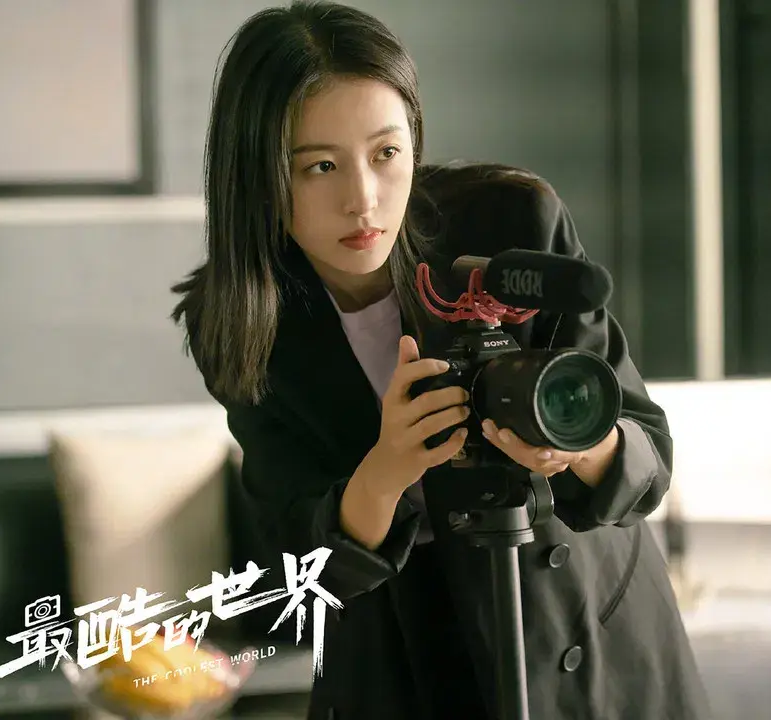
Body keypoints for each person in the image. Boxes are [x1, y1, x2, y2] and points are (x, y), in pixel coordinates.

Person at [171, 2, 711, 718]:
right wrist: (385, 471)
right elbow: (301, 567)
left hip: (586, 637)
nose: (363, 199)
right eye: (320, 166)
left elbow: (648, 460)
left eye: (386, 153)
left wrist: (573, 444)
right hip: (404, 666)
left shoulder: (510, 222)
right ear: (259, 176)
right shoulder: (243, 320)